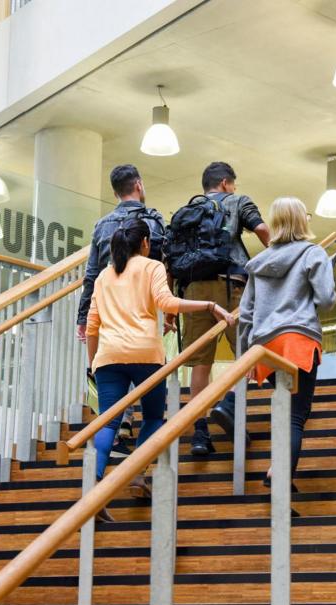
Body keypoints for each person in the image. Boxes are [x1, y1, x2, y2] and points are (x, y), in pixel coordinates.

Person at [87, 220, 235, 522]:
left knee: (108, 422)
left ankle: (95, 485)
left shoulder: (103, 275)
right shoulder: (151, 266)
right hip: (145, 354)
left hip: (108, 357)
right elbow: (166, 302)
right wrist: (209, 305)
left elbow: (92, 326)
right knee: (153, 418)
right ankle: (137, 474)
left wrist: (93, 363)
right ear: (144, 242)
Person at [237, 197, 335, 513]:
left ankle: (279, 472)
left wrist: (246, 354)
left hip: (266, 346)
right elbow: (326, 299)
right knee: (295, 415)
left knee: (282, 412)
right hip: (298, 339)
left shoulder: (259, 262)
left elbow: (246, 313)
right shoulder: (313, 253)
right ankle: (278, 474)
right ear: (301, 221)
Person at [172, 161, 270, 456]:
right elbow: (262, 229)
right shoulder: (238, 201)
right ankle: (229, 406)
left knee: (200, 365)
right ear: (226, 182)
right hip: (231, 286)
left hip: (193, 290)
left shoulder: (187, 211)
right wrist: (280, 254)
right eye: (233, 184)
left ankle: (199, 433)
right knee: (246, 357)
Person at [77, 164, 168, 448]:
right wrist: (171, 312)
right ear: (138, 185)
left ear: (115, 192)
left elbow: (91, 274)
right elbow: (165, 263)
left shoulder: (102, 225)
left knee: (115, 363)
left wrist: (83, 316)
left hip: (106, 306)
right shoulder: (152, 221)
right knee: (142, 362)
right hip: (143, 308)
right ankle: (133, 425)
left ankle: (122, 422)